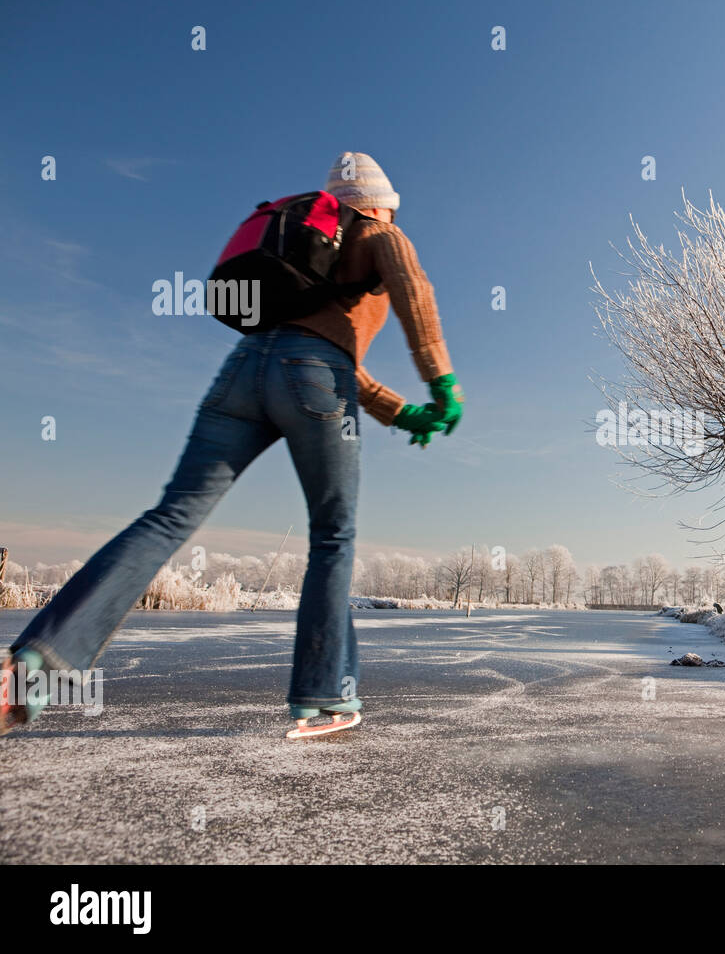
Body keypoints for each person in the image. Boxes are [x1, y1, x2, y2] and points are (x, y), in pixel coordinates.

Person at [0, 152, 462, 736]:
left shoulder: (310, 251)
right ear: (378, 203)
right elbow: (410, 290)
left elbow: (320, 353)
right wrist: (440, 379)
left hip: (242, 372)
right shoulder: (378, 233)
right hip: (315, 380)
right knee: (333, 534)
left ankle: (35, 667)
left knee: (169, 518)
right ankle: (323, 697)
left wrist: (401, 414)